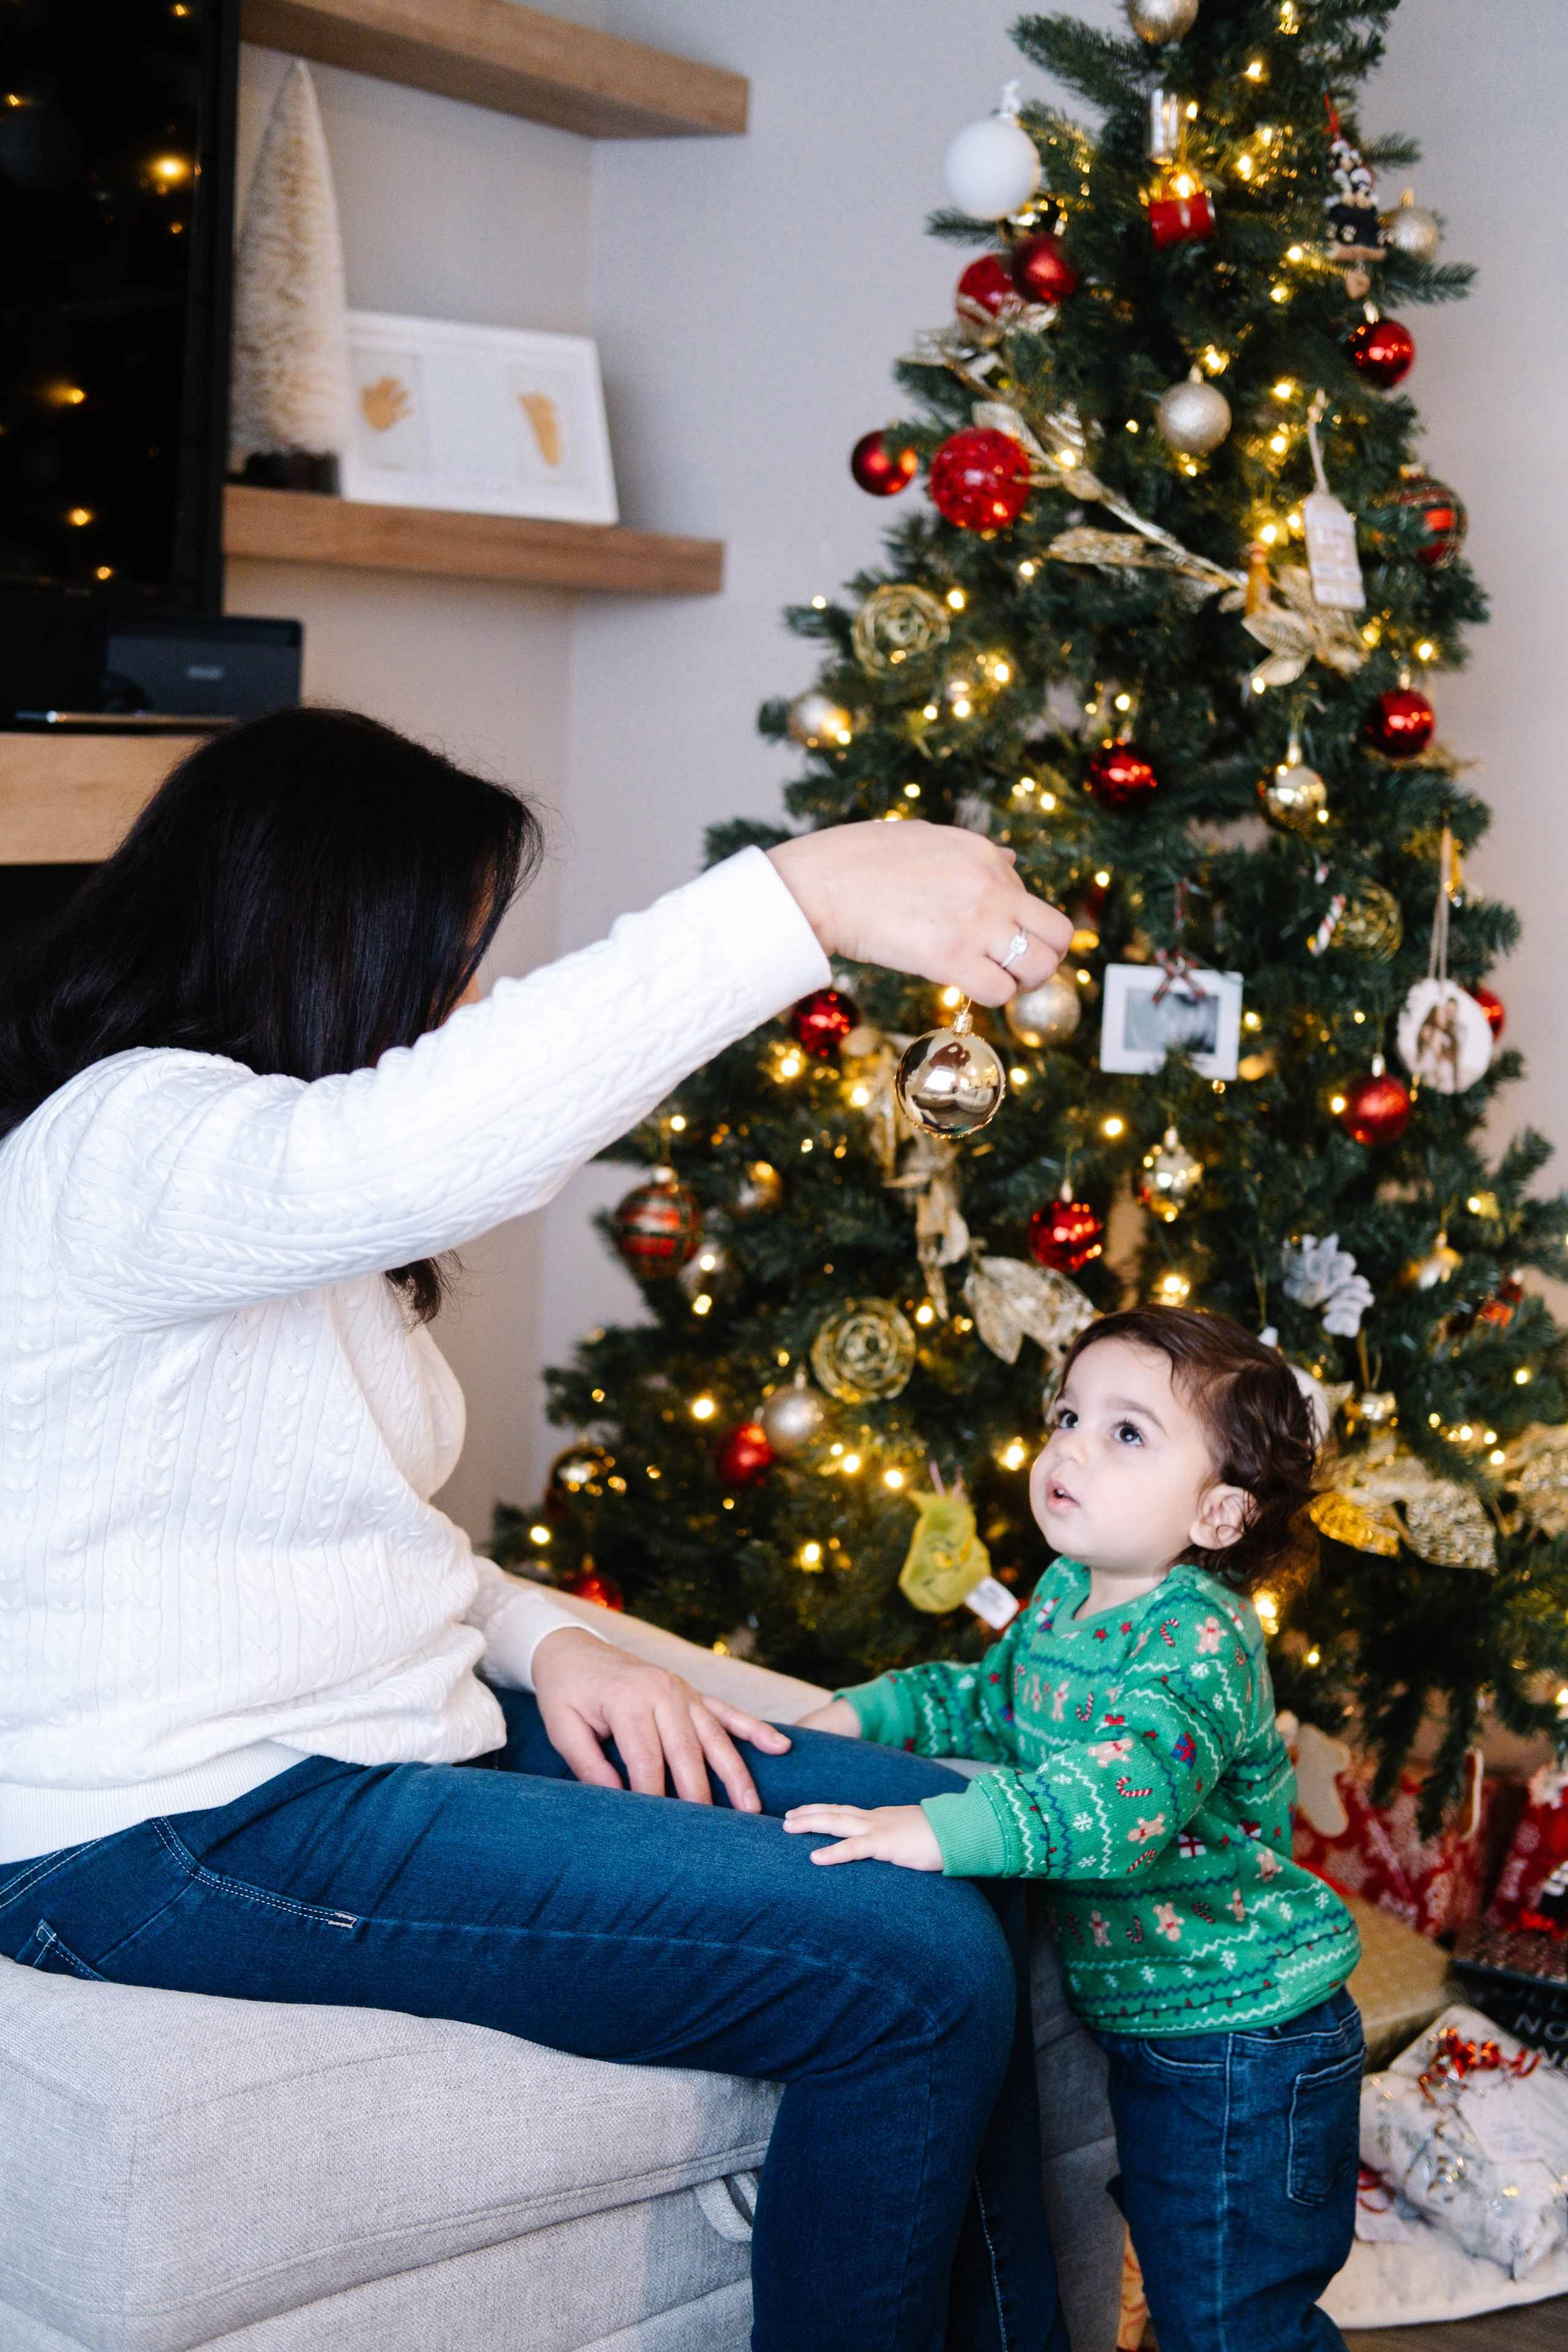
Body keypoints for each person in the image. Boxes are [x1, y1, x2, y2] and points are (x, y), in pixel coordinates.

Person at [0, 706, 1077, 2352]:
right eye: (452, 959)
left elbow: (330, 1527)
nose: (471, 1005)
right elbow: (421, 1148)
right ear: (324, 936)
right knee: (899, 1966)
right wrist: (794, 899)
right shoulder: (122, 1143)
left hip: (353, 1752)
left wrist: (546, 1638)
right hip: (165, 1824)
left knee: (966, 1840)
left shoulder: (274, 1201)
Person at [786, 1308, 1365, 2352]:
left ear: (1222, 1514)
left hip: (1247, 2038)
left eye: (1126, 1432)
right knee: (1187, 2281)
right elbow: (990, 1706)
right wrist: (867, 1713)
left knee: (1236, 2319)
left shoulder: (1198, 1638)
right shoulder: (1062, 1599)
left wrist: (939, 1830)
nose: (1069, 1446)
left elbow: (1116, 1803)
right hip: (1164, 2026)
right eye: (1068, 1414)